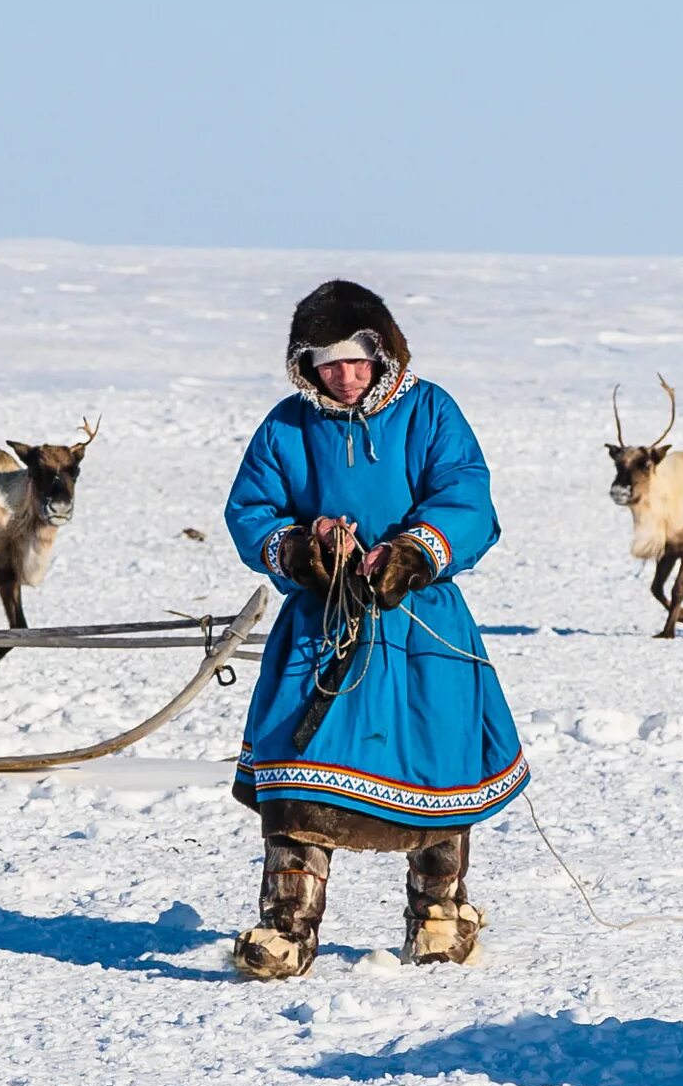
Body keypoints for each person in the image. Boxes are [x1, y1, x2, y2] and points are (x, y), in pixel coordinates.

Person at [221, 280, 528, 978]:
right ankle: (286, 928)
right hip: (321, 625)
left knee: (436, 764)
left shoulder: (431, 412)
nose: (346, 375)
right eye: (328, 363)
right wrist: (299, 548)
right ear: (307, 365)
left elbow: (469, 501)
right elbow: (251, 510)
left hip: (418, 624)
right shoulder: (286, 426)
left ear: (383, 353)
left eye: (358, 360)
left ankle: (439, 916)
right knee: (298, 773)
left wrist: (417, 550)